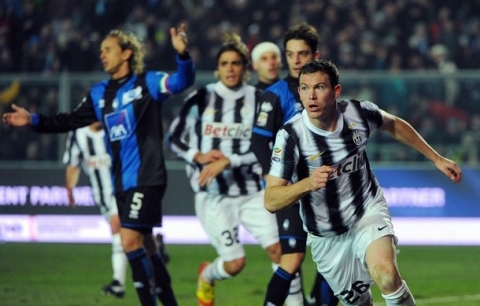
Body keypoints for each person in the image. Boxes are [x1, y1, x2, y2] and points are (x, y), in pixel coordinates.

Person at [3, 25, 195, 306]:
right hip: (121, 181)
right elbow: (68, 121)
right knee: (148, 247)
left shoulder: (148, 83)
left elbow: (181, 82)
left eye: (108, 49)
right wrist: (33, 120)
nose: (102, 55)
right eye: (101, 50)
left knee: (129, 241)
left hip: (147, 175)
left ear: (127, 53)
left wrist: (183, 54)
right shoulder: (99, 93)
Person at [264, 58, 462, 306]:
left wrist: (436, 158)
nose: (311, 96)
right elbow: (271, 200)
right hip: (326, 237)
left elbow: (392, 123)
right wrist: (306, 184)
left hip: (366, 212)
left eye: (319, 87)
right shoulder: (291, 136)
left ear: (336, 91)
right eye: (304, 88)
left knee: (387, 275)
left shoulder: (357, 112)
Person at [167, 33, 281, 306]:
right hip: (214, 197)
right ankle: (207, 274)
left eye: (236, 63)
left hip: (253, 192)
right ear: (217, 69)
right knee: (235, 263)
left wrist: (229, 160)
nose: (230, 68)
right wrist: (199, 155)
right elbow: (173, 138)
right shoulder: (201, 98)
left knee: (280, 251)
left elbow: (267, 147)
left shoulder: (260, 99)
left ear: (245, 68)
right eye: (224, 63)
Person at [251, 23, 337, 306]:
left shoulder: (326, 91)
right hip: (293, 188)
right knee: (292, 257)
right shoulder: (275, 94)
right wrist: (273, 177)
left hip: (326, 186)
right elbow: (258, 141)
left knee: (336, 255)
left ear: (315, 54)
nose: (296, 59)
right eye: (290, 54)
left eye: (302, 53)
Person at [63, 122, 128, 298]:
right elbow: (73, 163)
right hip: (101, 196)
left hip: (124, 189)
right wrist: (70, 188)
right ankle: (155, 248)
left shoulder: (114, 127)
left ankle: (118, 283)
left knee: (117, 227)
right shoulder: (78, 135)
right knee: (131, 235)